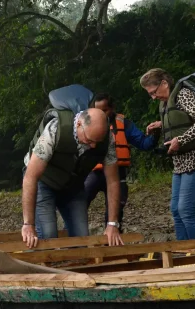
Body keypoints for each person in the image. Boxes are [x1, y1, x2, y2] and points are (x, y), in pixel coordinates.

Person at [22, 105, 124, 249]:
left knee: (81, 238)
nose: (94, 146)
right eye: (89, 140)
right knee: (48, 235)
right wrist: (28, 224)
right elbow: (30, 177)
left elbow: (113, 181)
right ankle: (45, 269)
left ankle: (76, 268)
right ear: (78, 125)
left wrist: (112, 223)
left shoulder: (107, 140)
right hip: (44, 182)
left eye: (97, 141)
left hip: (73, 185)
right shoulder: (55, 130)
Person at [141, 68, 195, 240]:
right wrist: (161, 124)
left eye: (154, 92)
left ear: (164, 83)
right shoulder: (166, 102)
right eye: (150, 94)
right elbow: (182, 119)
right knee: (176, 209)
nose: (153, 97)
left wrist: (181, 139)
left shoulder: (183, 95)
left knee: (186, 210)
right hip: (180, 163)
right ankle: (182, 252)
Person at [85, 93, 157, 230]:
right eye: (98, 110)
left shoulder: (124, 124)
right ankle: (73, 237)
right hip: (95, 173)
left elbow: (144, 143)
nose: (102, 114)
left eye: (104, 110)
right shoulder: (87, 123)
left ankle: (112, 241)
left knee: (115, 213)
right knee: (80, 202)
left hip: (118, 173)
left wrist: (155, 135)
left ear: (112, 108)